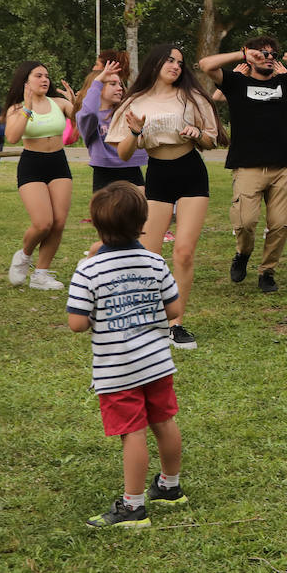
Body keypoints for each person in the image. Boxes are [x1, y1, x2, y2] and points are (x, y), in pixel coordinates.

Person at [67, 182, 187, 528]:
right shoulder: (154, 261)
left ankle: (133, 507)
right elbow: (174, 307)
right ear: (143, 222)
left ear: (94, 223)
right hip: (157, 361)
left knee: (132, 432)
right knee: (163, 420)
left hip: (117, 368)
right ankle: (170, 486)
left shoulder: (89, 270)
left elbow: (76, 323)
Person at [108, 45, 221, 350]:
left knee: (183, 252)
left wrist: (198, 135)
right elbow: (123, 152)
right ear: (156, 62)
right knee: (149, 256)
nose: (176, 66)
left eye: (180, 63)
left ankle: (176, 323)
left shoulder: (192, 98)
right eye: (170, 60)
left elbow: (212, 141)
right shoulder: (135, 102)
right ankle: (146, 318)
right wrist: (134, 133)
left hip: (191, 174)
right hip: (157, 175)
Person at [199, 36, 287, 294]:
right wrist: (242, 54)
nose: (267, 56)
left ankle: (267, 271)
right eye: (261, 53)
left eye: (271, 53)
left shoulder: (286, 82)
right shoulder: (236, 82)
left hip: (282, 166)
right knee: (244, 221)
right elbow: (206, 64)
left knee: (281, 224)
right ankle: (242, 254)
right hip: (247, 166)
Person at [5, 60, 78, 290]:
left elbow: (82, 124)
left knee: (58, 223)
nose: (44, 79)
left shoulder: (59, 103)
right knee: (43, 222)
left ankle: (41, 275)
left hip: (58, 164)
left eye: (46, 76)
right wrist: (27, 107)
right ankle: (24, 256)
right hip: (32, 165)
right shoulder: (17, 109)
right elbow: (13, 137)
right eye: (38, 76)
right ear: (26, 81)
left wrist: (77, 105)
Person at [78, 56, 148, 193]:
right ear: (97, 87)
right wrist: (97, 81)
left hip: (131, 171)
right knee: (107, 214)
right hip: (104, 174)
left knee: (136, 213)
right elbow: (89, 113)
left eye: (120, 84)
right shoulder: (90, 117)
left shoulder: (126, 113)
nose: (119, 88)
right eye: (112, 84)